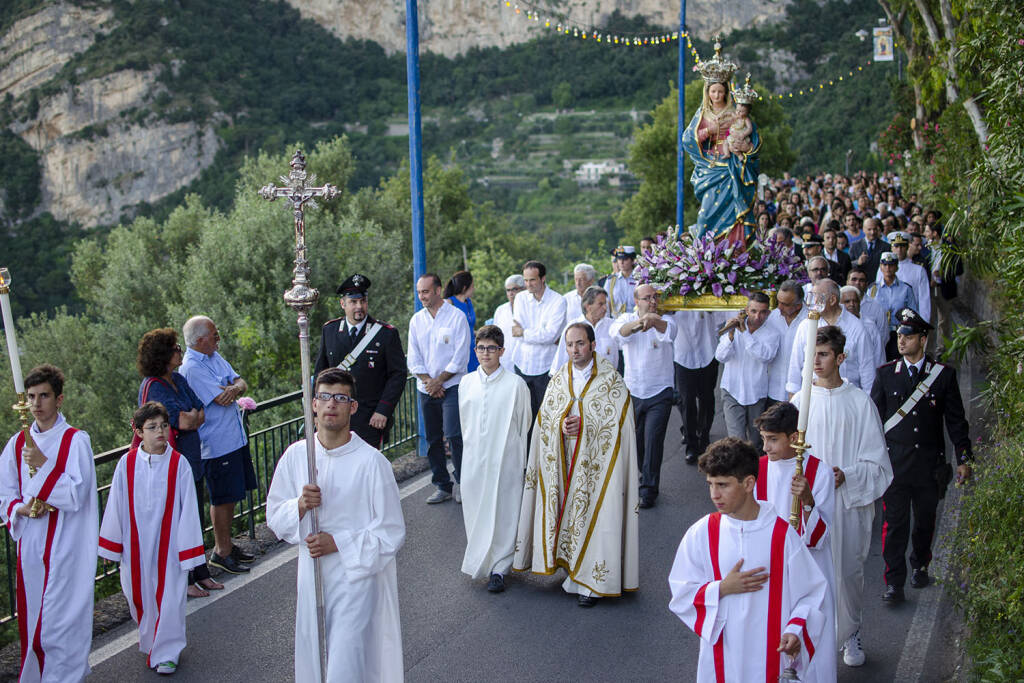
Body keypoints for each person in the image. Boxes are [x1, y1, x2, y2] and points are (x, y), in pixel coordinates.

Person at [266, 368, 405, 683]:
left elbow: (391, 532)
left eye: (340, 398)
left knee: (345, 660)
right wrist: (300, 506)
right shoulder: (297, 456)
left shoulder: (372, 463)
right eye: (325, 397)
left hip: (355, 579)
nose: (332, 405)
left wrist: (338, 542)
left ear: (352, 407)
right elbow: (274, 515)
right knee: (315, 656)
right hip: (312, 574)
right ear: (313, 404)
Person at [667, 437, 829, 682]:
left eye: (723, 485)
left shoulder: (781, 534)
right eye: (710, 484)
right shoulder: (702, 533)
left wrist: (795, 630)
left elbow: (811, 591)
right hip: (723, 655)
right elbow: (681, 592)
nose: (714, 494)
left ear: (749, 483)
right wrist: (721, 588)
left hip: (771, 654)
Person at [513, 323, 639, 608]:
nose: (575, 350)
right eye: (570, 345)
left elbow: (621, 425)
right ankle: (571, 567)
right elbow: (545, 418)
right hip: (565, 460)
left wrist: (587, 425)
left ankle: (592, 583)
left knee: (598, 516)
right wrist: (561, 424)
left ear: (593, 345)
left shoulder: (611, 379)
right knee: (569, 513)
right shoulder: (559, 378)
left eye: (580, 344)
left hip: (599, 464)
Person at [0, 364, 98, 683]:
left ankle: (66, 677)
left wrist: (42, 466)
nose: (37, 403)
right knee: (35, 623)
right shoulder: (17, 443)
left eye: (44, 396)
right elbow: (5, 494)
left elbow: (76, 495)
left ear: (59, 399)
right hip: (32, 546)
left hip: (67, 546)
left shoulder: (75, 441)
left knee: (62, 621)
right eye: (31, 397)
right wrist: (21, 509)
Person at [804, 325, 893, 667]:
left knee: (847, 572)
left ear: (840, 358)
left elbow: (877, 462)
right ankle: (812, 638)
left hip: (845, 503)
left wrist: (847, 476)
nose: (817, 361)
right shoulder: (801, 401)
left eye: (824, 354)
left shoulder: (859, 403)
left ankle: (851, 630)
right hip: (810, 503)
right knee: (812, 573)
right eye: (813, 353)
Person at [871, 308, 972, 605]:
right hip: (896, 465)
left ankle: (921, 564)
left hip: (929, 465)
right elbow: (874, 420)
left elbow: (955, 420)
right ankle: (894, 582)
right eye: (900, 335)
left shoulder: (943, 376)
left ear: (923, 339)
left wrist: (964, 457)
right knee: (894, 526)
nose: (901, 341)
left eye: (909, 336)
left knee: (925, 521)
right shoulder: (886, 375)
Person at [98, 402, 206, 676]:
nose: (160, 432)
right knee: (139, 596)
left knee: (170, 598)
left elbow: (189, 509)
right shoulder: (127, 462)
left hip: (169, 547)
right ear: (138, 431)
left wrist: (189, 552)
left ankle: (168, 651)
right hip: (135, 546)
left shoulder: (178, 463)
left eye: (163, 426)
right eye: (152, 427)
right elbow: (116, 503)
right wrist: (112, 545)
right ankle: (152, 641)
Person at [752, 402, 838, 682]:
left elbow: (819, 538)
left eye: (773, 440)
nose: (765, 448)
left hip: (809, 571)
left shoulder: (819, 473)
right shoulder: (758, 471)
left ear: (794, 438)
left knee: (812, 649)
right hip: (770, 571)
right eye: (763, 439)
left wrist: (808, 501)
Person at [135, 328, 221, 598]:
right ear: (162, 354)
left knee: (193, 516)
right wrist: (189, 418)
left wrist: (189, 417)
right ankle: (183, 580)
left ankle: (201, 572)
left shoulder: (178, 379)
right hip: (168, 465)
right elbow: (181, 421)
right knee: (176, 521)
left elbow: (199, 413)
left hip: (190, 460)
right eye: (175, 349)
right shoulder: (153, 386)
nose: (180, 352)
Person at [180, 316, 257, 574]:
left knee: (233, 494)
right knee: (222, 497)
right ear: (200, 340)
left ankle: (227, 545)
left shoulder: (214, 357)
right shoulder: (192, 367)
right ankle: (221, 551)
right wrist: (233, 390)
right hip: (215, 444)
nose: (218, 337)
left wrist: (233, 389)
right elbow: (221, 399)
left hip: (233, 438)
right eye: (214, 334)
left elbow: (241, 382)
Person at [458, 325, 532, 593]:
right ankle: (481, 559)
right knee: (477, 508)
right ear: (475, 350)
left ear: (502, 351)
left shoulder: (516, 384)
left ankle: (500, 566)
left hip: (506, 458)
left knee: (504, 510)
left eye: (491, 348)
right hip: (475, 457)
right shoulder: (466, 383)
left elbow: (524, 422)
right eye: (481, 348)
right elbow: (465, 422)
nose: (485, 353)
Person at [314, 273, 408, 449]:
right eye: (353, 302)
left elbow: (398, 374)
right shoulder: (330, 330)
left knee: (366, 470)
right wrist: (316, 412)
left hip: (370, 418)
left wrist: (383, 410)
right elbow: (320, 373)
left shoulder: (385, 333)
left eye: (363, 301)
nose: (359, 306)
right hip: (336, 415)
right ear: (343, 304)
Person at [681, 39, 759, 242]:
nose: (717, 95)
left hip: (731, 164)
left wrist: (746, 147)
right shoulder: (702, 113)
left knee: (734, 208)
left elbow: (754, 140)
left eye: (720, 91)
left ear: (726, 92)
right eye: (713, 91)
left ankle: (734, 251)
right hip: (709, 166)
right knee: (706, 214)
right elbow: (688, 140)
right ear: (707, 92)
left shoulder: (736, 112)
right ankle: (706, 252)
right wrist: (709, 130)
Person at [611, 284, 678, 508]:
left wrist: (653, 319)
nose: (652, 301)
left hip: (660, 391)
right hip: (634, 391)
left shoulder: (666, 320)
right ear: (636, 300)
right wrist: (641, 322)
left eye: (654, 297)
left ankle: (649, 488)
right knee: (637, 441)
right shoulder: (625, 318)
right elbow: (619, 333)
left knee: (653, 440)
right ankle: (642, 473)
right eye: (646, 298)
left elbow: (670, 331)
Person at [407, 273, 471, 505]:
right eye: (419, 292)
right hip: (427, 389)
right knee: (433, 438)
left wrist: (440, 381)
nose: (421, 296)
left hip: (452, 386)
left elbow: (461, 356)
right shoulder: (416, 321)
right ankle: (442, 485)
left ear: (437, 290)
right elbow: (413, 359)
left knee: (454, 435)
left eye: (425, 291)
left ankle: (463, 482)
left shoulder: (456, 317)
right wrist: (429, 382)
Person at [786, 279, 876, 395]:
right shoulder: (806, 325)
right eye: (810, 297)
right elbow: (795, 367)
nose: (810, 303)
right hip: (812, 397)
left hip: (846, 397)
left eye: (816, 297)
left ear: (832, 300)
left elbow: (867, 371)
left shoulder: (857, 327)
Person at [715, 292, 780, 444]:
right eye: (754, 311)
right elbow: (721, 357)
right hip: (731, 390)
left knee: (756, 442)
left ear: (768, 313)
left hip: (756, 393)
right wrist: (730, 335)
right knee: (736, 441)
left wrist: (744, 333)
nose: (758, 317)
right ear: (746, 310)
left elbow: (764, 356)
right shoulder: (732, 327)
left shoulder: (772, 334)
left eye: (763, 312)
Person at [512, 261, 566, 419]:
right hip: (522, 364)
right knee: (524, 417)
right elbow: (516, 331)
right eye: (526, 280)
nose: (528, 284)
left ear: (543, 278)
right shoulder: (520, 298)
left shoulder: (558, 301)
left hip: (546, 367)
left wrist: (524, 333)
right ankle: (526, 445)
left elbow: (550, 335)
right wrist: (534, 333)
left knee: (546, 416)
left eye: (532, 280)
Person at [672, 311, 723, 464]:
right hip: (683, 354)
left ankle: (704, 434)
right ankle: (691, 442)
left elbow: (720, 320)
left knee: (707, 397)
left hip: (707, 351)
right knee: (686, 400)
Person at [549, 285, 617, 374]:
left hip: (607, 382)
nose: (605, 308)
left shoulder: (613, 325)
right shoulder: (572, 327)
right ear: (588, 306)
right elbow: (561, 359)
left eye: (605, 303)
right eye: (601, 304)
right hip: (579, 383)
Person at [866, 252, 918, 360]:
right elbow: (868, 311)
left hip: (898, 333)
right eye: (885, 265)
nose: (888, 268)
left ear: (897, 267)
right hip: (878, 333)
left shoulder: (906, 288)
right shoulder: (873, 289)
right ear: (880, 267)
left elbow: (912, 313)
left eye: (891, 265)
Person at [765, 280, 808, 409]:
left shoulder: (810, 320)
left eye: (785, 304)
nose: (779, 307)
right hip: (773, 389)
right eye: (778, 301)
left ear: (798, 305)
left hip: (799, 391)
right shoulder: (773, 316)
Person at [878, 232, 931, 323]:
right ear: (891, 247)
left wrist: (924, 322)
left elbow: (924, 299)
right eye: (896, 246)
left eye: (902, 246)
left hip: (910, 318)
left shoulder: (918, 270)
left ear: (907, 247)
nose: (899, 250)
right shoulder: (882, 269)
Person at [847, 266, 888, 362]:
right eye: (854, 279)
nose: (857, 283)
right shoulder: (839, 305)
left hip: (869, 357)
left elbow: (883, 336)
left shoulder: (877, 307)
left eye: (861, 280)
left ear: (866, 284)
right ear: (847, 282)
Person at [840, 285, 885, 366]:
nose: (852, 304)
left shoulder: (870, 326)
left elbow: (879, 357)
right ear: (840, 304)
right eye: (847, 301)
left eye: (855, 301)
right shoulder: (836, 325)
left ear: (860, 303)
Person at [444, 270, 479, 372]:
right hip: (458, 350)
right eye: (472, 286)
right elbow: (445, 331)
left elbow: (469, 327)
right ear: (464, 288)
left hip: (473, 349)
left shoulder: (468, 302)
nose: (474, 289)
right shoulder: (449, 303)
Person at [491, 274, 526, 371]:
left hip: (525, 361)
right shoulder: (500, 310)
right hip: (505, 360)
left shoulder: (530, 309)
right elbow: (494, 336)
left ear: (524, 289)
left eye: (514, 289)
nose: (511, 293)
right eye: (508, 290)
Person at [849, 218, 890, 282]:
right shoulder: (855, 246)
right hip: (860, 283)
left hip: (879, 282)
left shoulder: (886, 246)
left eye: (874, 229)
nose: (872, 232)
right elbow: (848, 264)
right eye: (869, 229)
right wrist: (858, 262)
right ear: (863, 230)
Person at [604, 247, 638, 317]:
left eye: (625, 259)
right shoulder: (611, 280)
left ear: (632, 261)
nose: (621, 262)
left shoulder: (640, 278)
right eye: (619, 259)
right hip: (616, 320)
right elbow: (606, 303)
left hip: (636, 319)